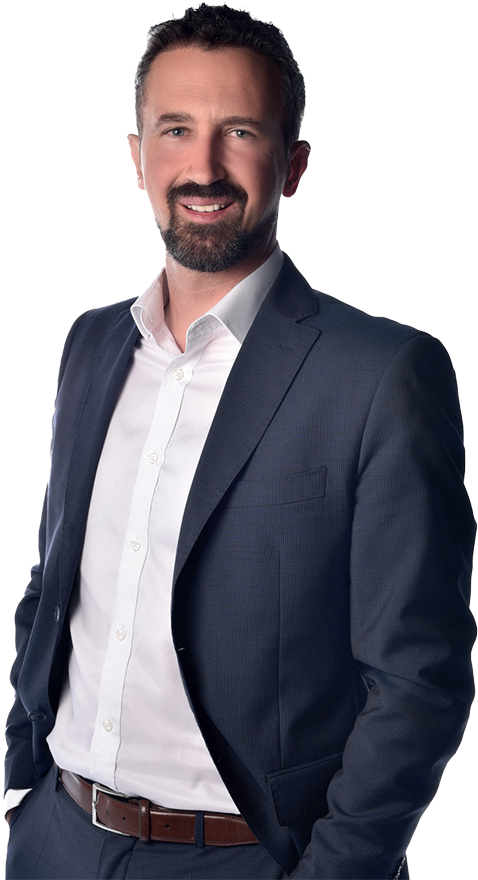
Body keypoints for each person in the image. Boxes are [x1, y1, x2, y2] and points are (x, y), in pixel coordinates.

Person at [4, 4, 476, 880]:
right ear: (138, 156)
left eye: (241, 131)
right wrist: (24, 781)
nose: (203, 166)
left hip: (249, 859)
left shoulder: (380, 376)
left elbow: (420, 681)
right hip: (54, 842)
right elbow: (56, 584)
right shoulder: (91, 346)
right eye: (175, 130)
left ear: (291, 164)